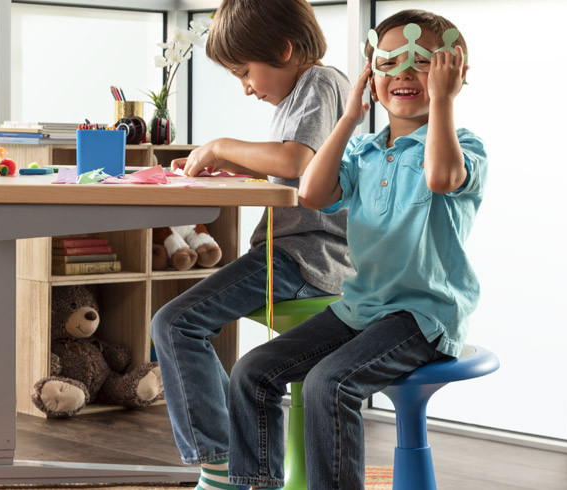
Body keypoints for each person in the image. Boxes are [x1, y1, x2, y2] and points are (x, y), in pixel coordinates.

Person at [226, 9, 487, 490]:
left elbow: (440, 176)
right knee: (251, 371)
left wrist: (444, 102)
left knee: (330, 384)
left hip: (422, 317)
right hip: (361, 307)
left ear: (453, 73)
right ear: (372, 76)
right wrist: (348, 117)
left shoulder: (464, 146)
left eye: (422, 64)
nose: (404, 75)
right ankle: (256, 484)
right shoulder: (363, 151)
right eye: (389, 65)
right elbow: (312, 193)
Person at [149, 1, 353, 489]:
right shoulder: (298, 95)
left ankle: (222, 466)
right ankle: (238, 460)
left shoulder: (321, 83)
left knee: (175, 323)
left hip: (306, 257)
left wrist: (220, 146)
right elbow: (286, 164)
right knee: (179, 323)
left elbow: (295, 160)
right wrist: (231, 166)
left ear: (283, 50)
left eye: (245, 72)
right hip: (293, 254)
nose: (246, 87)